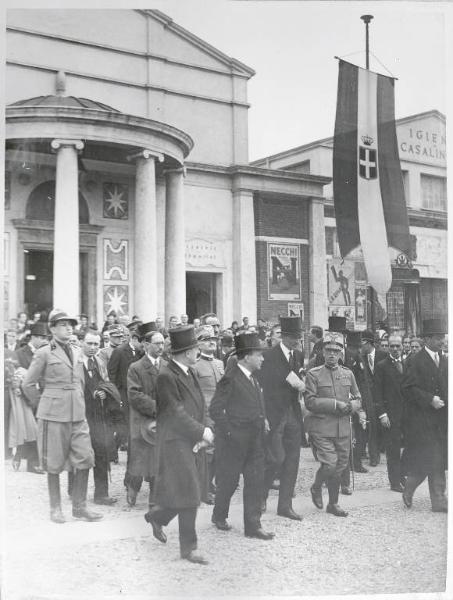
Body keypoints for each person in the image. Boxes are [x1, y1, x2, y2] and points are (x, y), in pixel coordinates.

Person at [22, 309, 102, 523]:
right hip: (53, 415)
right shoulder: (44, 352)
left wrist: (80, 401)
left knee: (85, 457)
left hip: (77, 413)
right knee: (53, 461)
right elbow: (28, 384)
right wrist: (43, 404)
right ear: (53, 328)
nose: (69, 328)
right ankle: (55, 508)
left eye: (71, 324)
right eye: (63, 324)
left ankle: (80, 506)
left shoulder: (77, 351)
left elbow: (80, 381)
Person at [145, 326, 214, 565]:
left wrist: (204, 431)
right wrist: (202, 430)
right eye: (196, 348)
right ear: (186, 352)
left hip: (192, 438)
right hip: (175, 442)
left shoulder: (189, 371)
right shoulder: (166, 376)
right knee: (192, 492)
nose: (198, 352)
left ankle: (157, 516)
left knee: (189, 490)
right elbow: (176, 413)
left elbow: (200, 405)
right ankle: (189, 548)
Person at [210, 332, 274, 540]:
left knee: (255, 481)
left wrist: (263, 418)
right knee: (229, 482)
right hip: (233, 442)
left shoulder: (253, 378)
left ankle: (253, 526)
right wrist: (229, 432)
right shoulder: (230, 378)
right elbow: (215, 410)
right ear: (247, 357)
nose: (263, 359)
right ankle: (219, 514)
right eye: (259, 355)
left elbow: (256, 403)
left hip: (254, 440)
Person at [305, 331, 362, 517]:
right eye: (328, 350)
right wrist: (335, 404)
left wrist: (353, 406)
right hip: (322, 428)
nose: (332, 354)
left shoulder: (348, 374)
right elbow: (310, 402)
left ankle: (333, 503)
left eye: (336, 351)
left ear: (341, 353)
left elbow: (358, 397)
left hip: (343, 428)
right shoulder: (313, 374)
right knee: (329, 464)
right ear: (322, 351)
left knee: (339, 467)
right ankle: (316, 487)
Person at [258, 316, 305, 521]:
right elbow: (262, 385)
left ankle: (285, 506)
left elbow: (298, 378)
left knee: (293, 460)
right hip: (274, 414)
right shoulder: (268, 356)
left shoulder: (299, 355)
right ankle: (261, 494)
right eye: (294, 337)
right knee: (276, 458)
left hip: (292, 413)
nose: (297, 341)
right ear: (283, 336)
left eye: (299, 336)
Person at [401, 319, 448, 513]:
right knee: (432, 458)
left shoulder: (445, 360)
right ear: (427, 339)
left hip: (442, 420)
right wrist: (430, 399)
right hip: (422, 420)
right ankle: (435, 499)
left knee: (438, 458)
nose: (442, 342)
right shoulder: (415, 360)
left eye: (443, 338)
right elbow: (408, 388)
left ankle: (423, 492)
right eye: (438, 338)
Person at [127, 322, 167, 518]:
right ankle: (132, 489)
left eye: (163, 343)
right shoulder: (136, 368)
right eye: (157, 343)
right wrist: (158, 408)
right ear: (146, 345)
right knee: (140, 462)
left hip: (163, 421)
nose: (161, 347)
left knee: (157, 463)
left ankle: (154, 501)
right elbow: (134, 395)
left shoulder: (167, 366)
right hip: (143, 421)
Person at [80, 330, 122, 505]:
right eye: (89, 343)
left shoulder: (99, 361)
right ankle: (75, 492)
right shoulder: (75, 362)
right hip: (81, 414)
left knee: (102, 453)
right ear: (82, 343)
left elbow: (107, 382)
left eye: (96, 344)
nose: (92, 347)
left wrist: (105, 392)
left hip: (99, 415)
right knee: (80, 453)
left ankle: (101, 494)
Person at [108, 322, 143, 502]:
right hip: (125, 403)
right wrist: (117, 400)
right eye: (140, 340)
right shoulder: (120, 352)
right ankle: (130, 480)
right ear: (133, 338)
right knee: (132, 441)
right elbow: (112, 377)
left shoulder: (141, 353)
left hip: (140, 403)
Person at [193, 326, 225, 504]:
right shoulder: (195, 366)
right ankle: (203, 489)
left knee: (220, 451)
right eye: (206, 339)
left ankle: (211, 484)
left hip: (222, 414)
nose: (211, 341)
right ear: (198, 344)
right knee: (208, 453)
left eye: (213, 338)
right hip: (205, 414)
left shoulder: (219, 363)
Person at [374, 334, 407, 492]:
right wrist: (382, 414)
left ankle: (403, 476)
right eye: (391, 346)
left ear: (402, 347)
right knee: (393, 449)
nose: (394, 349)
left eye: (397, 346)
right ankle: (394, 482)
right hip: (390, 415)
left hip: (407, 414)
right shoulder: (381, 366)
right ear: (387, 347)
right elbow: (377, 393)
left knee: (408, 447)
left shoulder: (408, 364)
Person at [360, 329, 387, 466]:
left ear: (369, 343)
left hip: (383, 397)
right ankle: (374, 457)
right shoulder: (361, 358)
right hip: (369, 398)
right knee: (372, 427)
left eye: (362, 343)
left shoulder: (384, 355)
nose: (361, 347)